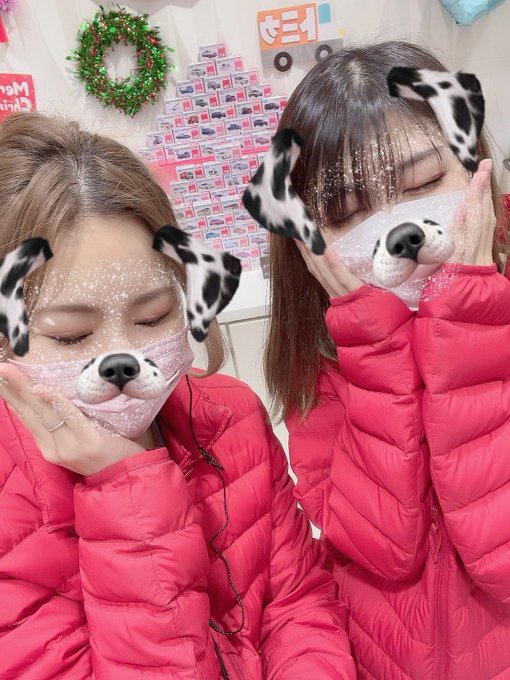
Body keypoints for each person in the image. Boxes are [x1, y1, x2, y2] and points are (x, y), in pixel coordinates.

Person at [0, 111, 356, 680]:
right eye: (71, 335)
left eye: (152, 317)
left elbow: (299, 602)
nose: (120, 356)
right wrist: (125, 489)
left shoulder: (231, 416)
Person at [264, 40, 510, 678]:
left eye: (425, 183)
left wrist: (472, 325)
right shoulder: (319, 360)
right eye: (347, 213)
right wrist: (376, 351)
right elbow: (382, 547)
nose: (397, 227)